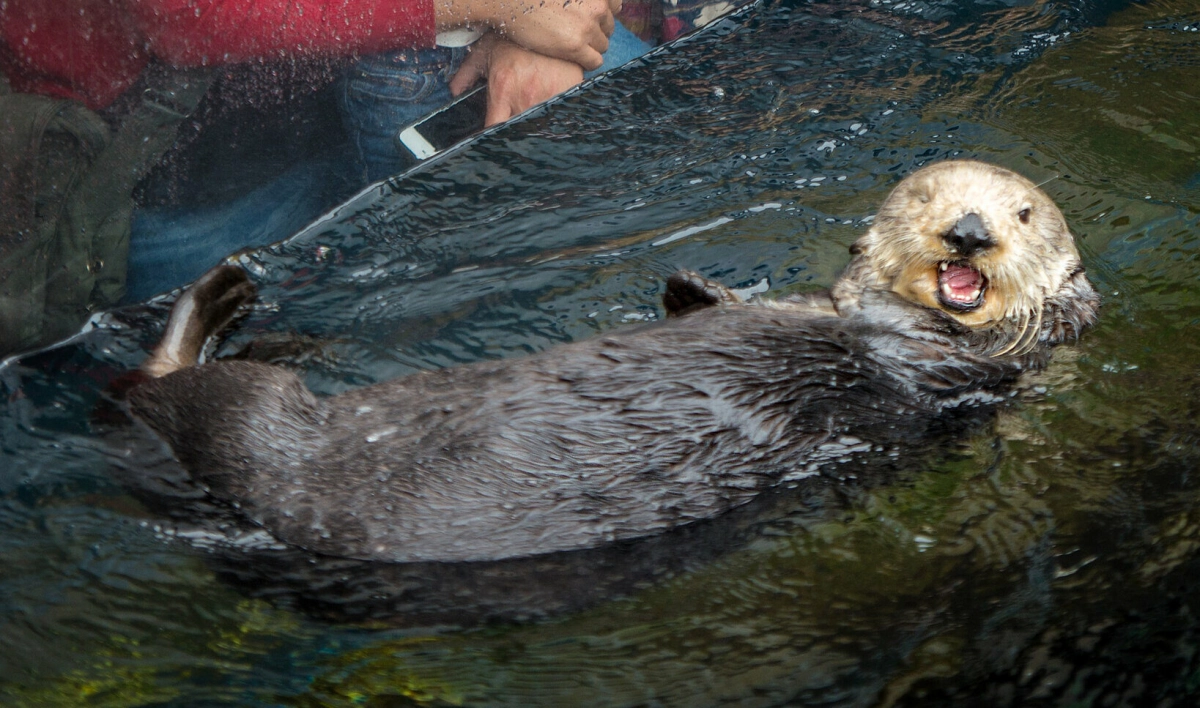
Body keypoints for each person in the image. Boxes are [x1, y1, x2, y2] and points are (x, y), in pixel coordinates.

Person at [0, 0, 621, 354]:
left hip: (399, 86)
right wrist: (499, 8)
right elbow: (193, 18)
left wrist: (543, 29)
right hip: (166, 176)